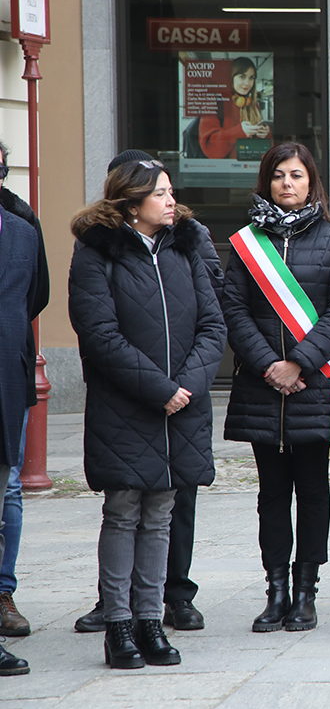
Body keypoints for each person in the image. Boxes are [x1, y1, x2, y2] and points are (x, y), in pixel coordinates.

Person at [68, 159, 226, 667]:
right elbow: (99, 335)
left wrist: (188, 385)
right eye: (160, 193)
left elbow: (212, 323)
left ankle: (150, 621)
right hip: (127, 407)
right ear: (132, 203)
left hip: (181, 405)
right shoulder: (96, 254)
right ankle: (118, 625)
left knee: (161, 514)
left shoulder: (185, 246)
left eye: (171, 191)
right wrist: (159, 388)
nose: (170, 200)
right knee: (122, 512)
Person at [221, 142, 330, 632]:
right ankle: (274, 591)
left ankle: (306, 592)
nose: (287, 183)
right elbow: (233, 312)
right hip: (262, 388)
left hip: (314, 384)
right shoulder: (244, 244)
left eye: (296, 175)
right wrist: (268, 366)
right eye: (278, 175)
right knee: (271, 494)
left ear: (311, 181)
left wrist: (298, 363)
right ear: (266, 181)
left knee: (313, 490)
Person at [0, 138, 49, 643]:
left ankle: (2, 591)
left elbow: (38, 292)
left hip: (5, 377)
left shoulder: (20, 224)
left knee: (8, 483)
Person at [199, 56, 271, 160]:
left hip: (251, 166)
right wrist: (240, 132)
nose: (247, 83)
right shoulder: (215, 103)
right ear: (230, 77)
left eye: (251, 78)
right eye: (242, 77)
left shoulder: (253, 105)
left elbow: (266, 149)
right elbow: (211, 146)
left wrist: (265, 134)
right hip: (224, 170)